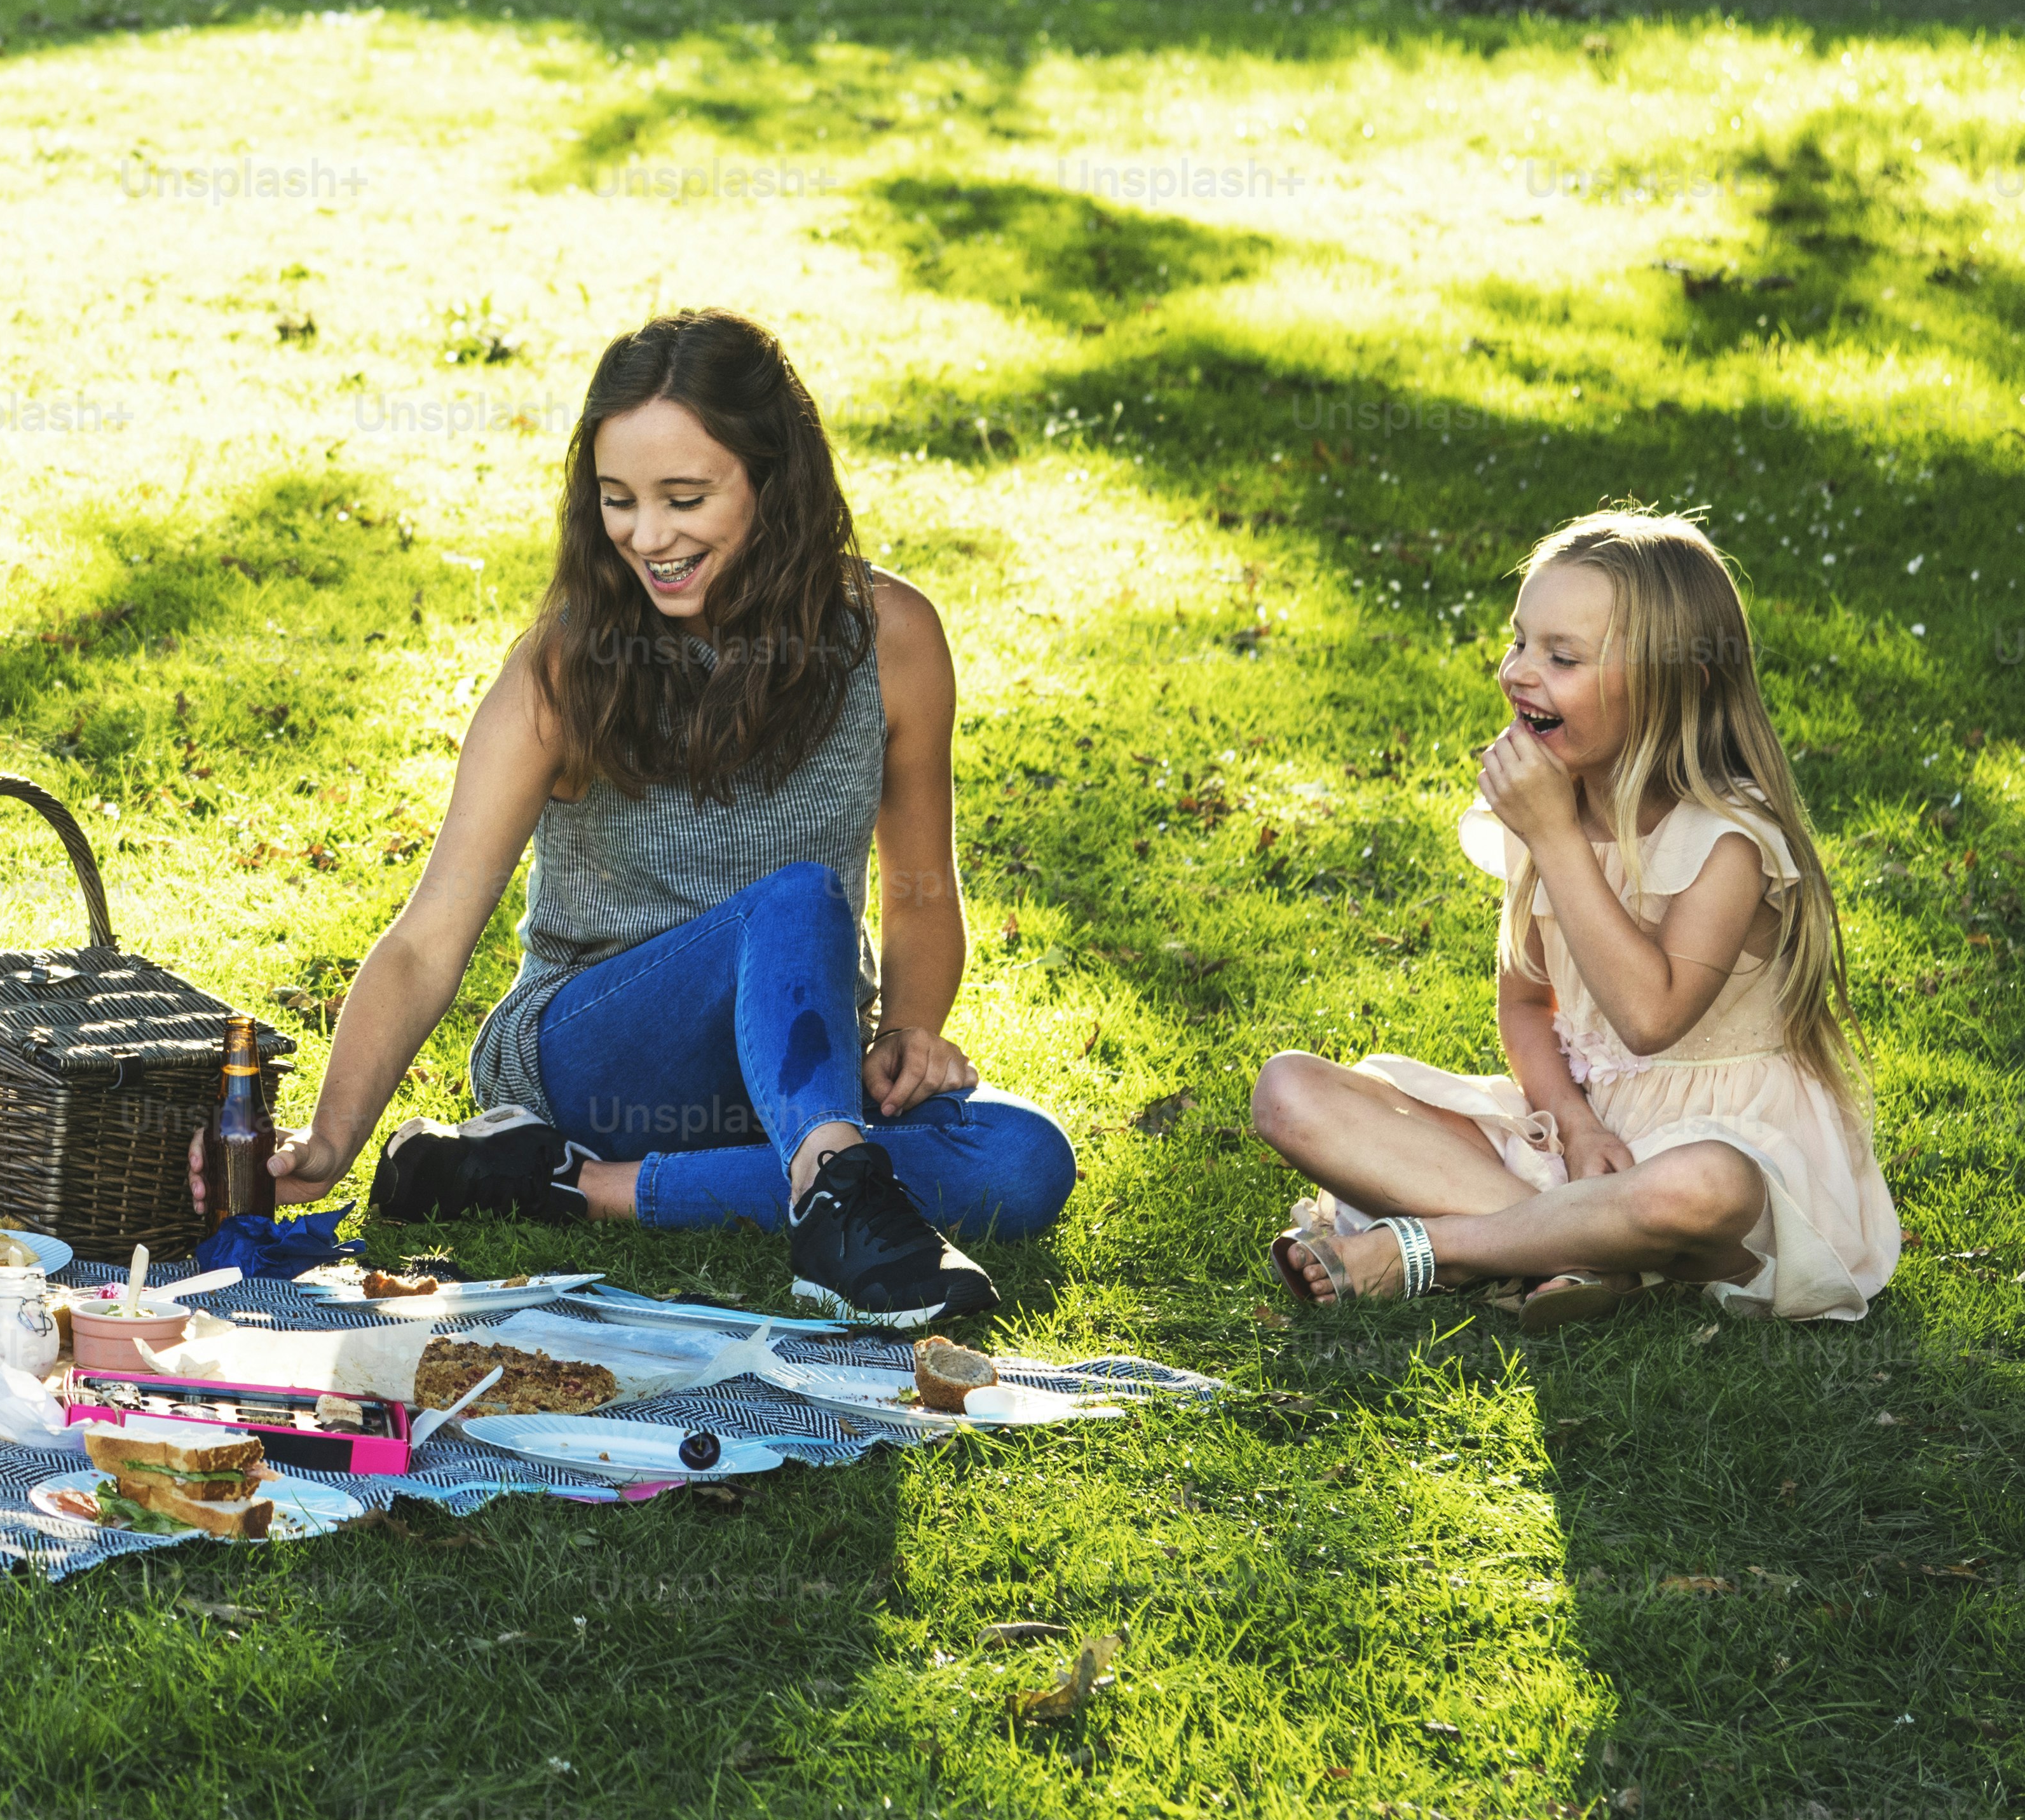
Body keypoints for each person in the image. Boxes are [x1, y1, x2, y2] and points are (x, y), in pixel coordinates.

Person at [239, 310, 1071, 1325]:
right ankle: (833, 1199)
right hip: (594, 1055)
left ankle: (570, 1185)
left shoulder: (890, 639)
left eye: (684, 499)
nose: (645, 536)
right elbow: (426, 940)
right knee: (798, 897)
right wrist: (332, 1136)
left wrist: (907, 1030)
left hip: (794, 1063)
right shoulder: (564, 666)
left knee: (1024, 1160)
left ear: (774, 483)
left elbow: (918, 892)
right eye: (617, 502)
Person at [1253, 511, 1895, 1324]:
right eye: (1518, 642)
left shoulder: (1727, 840)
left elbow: (1648, 1018)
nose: (1519, 672)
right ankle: (1582, 1251)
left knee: (1700, 1187)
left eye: (1561, 657)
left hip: (1722, 1158)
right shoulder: (1549, 808)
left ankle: (1433, 1249)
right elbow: (1524, 1006)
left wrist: (1553, 836)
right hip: (1576, 1140)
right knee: (1287, 1090)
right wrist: (1575, 1125)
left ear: (1678, 684)